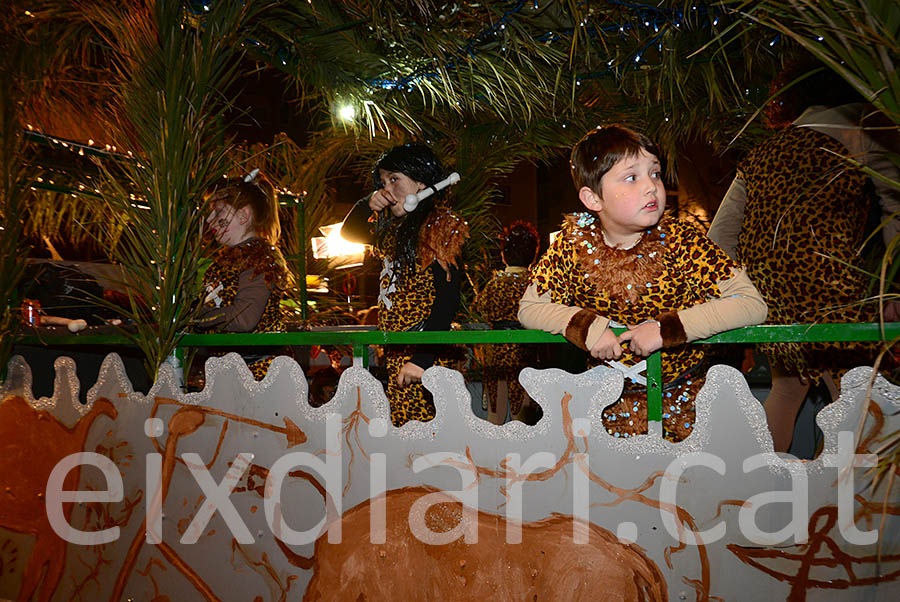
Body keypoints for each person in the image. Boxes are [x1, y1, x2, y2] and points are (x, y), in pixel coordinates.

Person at [519, 125, 768, 441]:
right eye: (631, 177)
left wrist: (669, 329)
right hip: (605, 414)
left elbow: (751, 303)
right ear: (592, 198)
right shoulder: (571, 247)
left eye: (655, 174)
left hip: (687, 411)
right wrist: (585, 327)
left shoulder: (683, 242)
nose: (652, 187)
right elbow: (530, 307)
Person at [708, 62, 900, 453]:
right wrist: (890, 288)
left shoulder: (764, 151)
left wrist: (730, 295)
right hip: (828, 279)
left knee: (786, 388)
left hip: (768, 288)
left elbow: (720, 235)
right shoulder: (863, 130)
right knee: (855, 391)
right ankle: (856, 496)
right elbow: (895, 208)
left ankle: (760, 482)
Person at [340, 144, 469, 427]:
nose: (387, 189)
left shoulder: (439, 227)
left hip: (426, 360)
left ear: (422, 184)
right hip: (400, 356)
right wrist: (367, 203)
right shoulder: (394, 231)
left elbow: (447, 301)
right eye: (383, 183)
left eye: (395, 179)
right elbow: (349, 231)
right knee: (405, 446)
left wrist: (422, 359)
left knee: (430, 445)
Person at [194, 170, 291, 380]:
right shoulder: (227, 259)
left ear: (244, 216)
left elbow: (245, 318)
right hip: (232, 373)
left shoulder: (258, 257)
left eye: (218, 212)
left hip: (256, 377)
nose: (210, 220)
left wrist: (196, 317)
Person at [475, 221, 540, 424]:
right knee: (523, 414)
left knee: (496, 412)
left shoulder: (494, 283)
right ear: (533, 254)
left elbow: (481, 310)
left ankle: (494, 454)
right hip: (525, 350)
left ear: (504, 254)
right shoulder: (534, 283)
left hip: (496, 351)